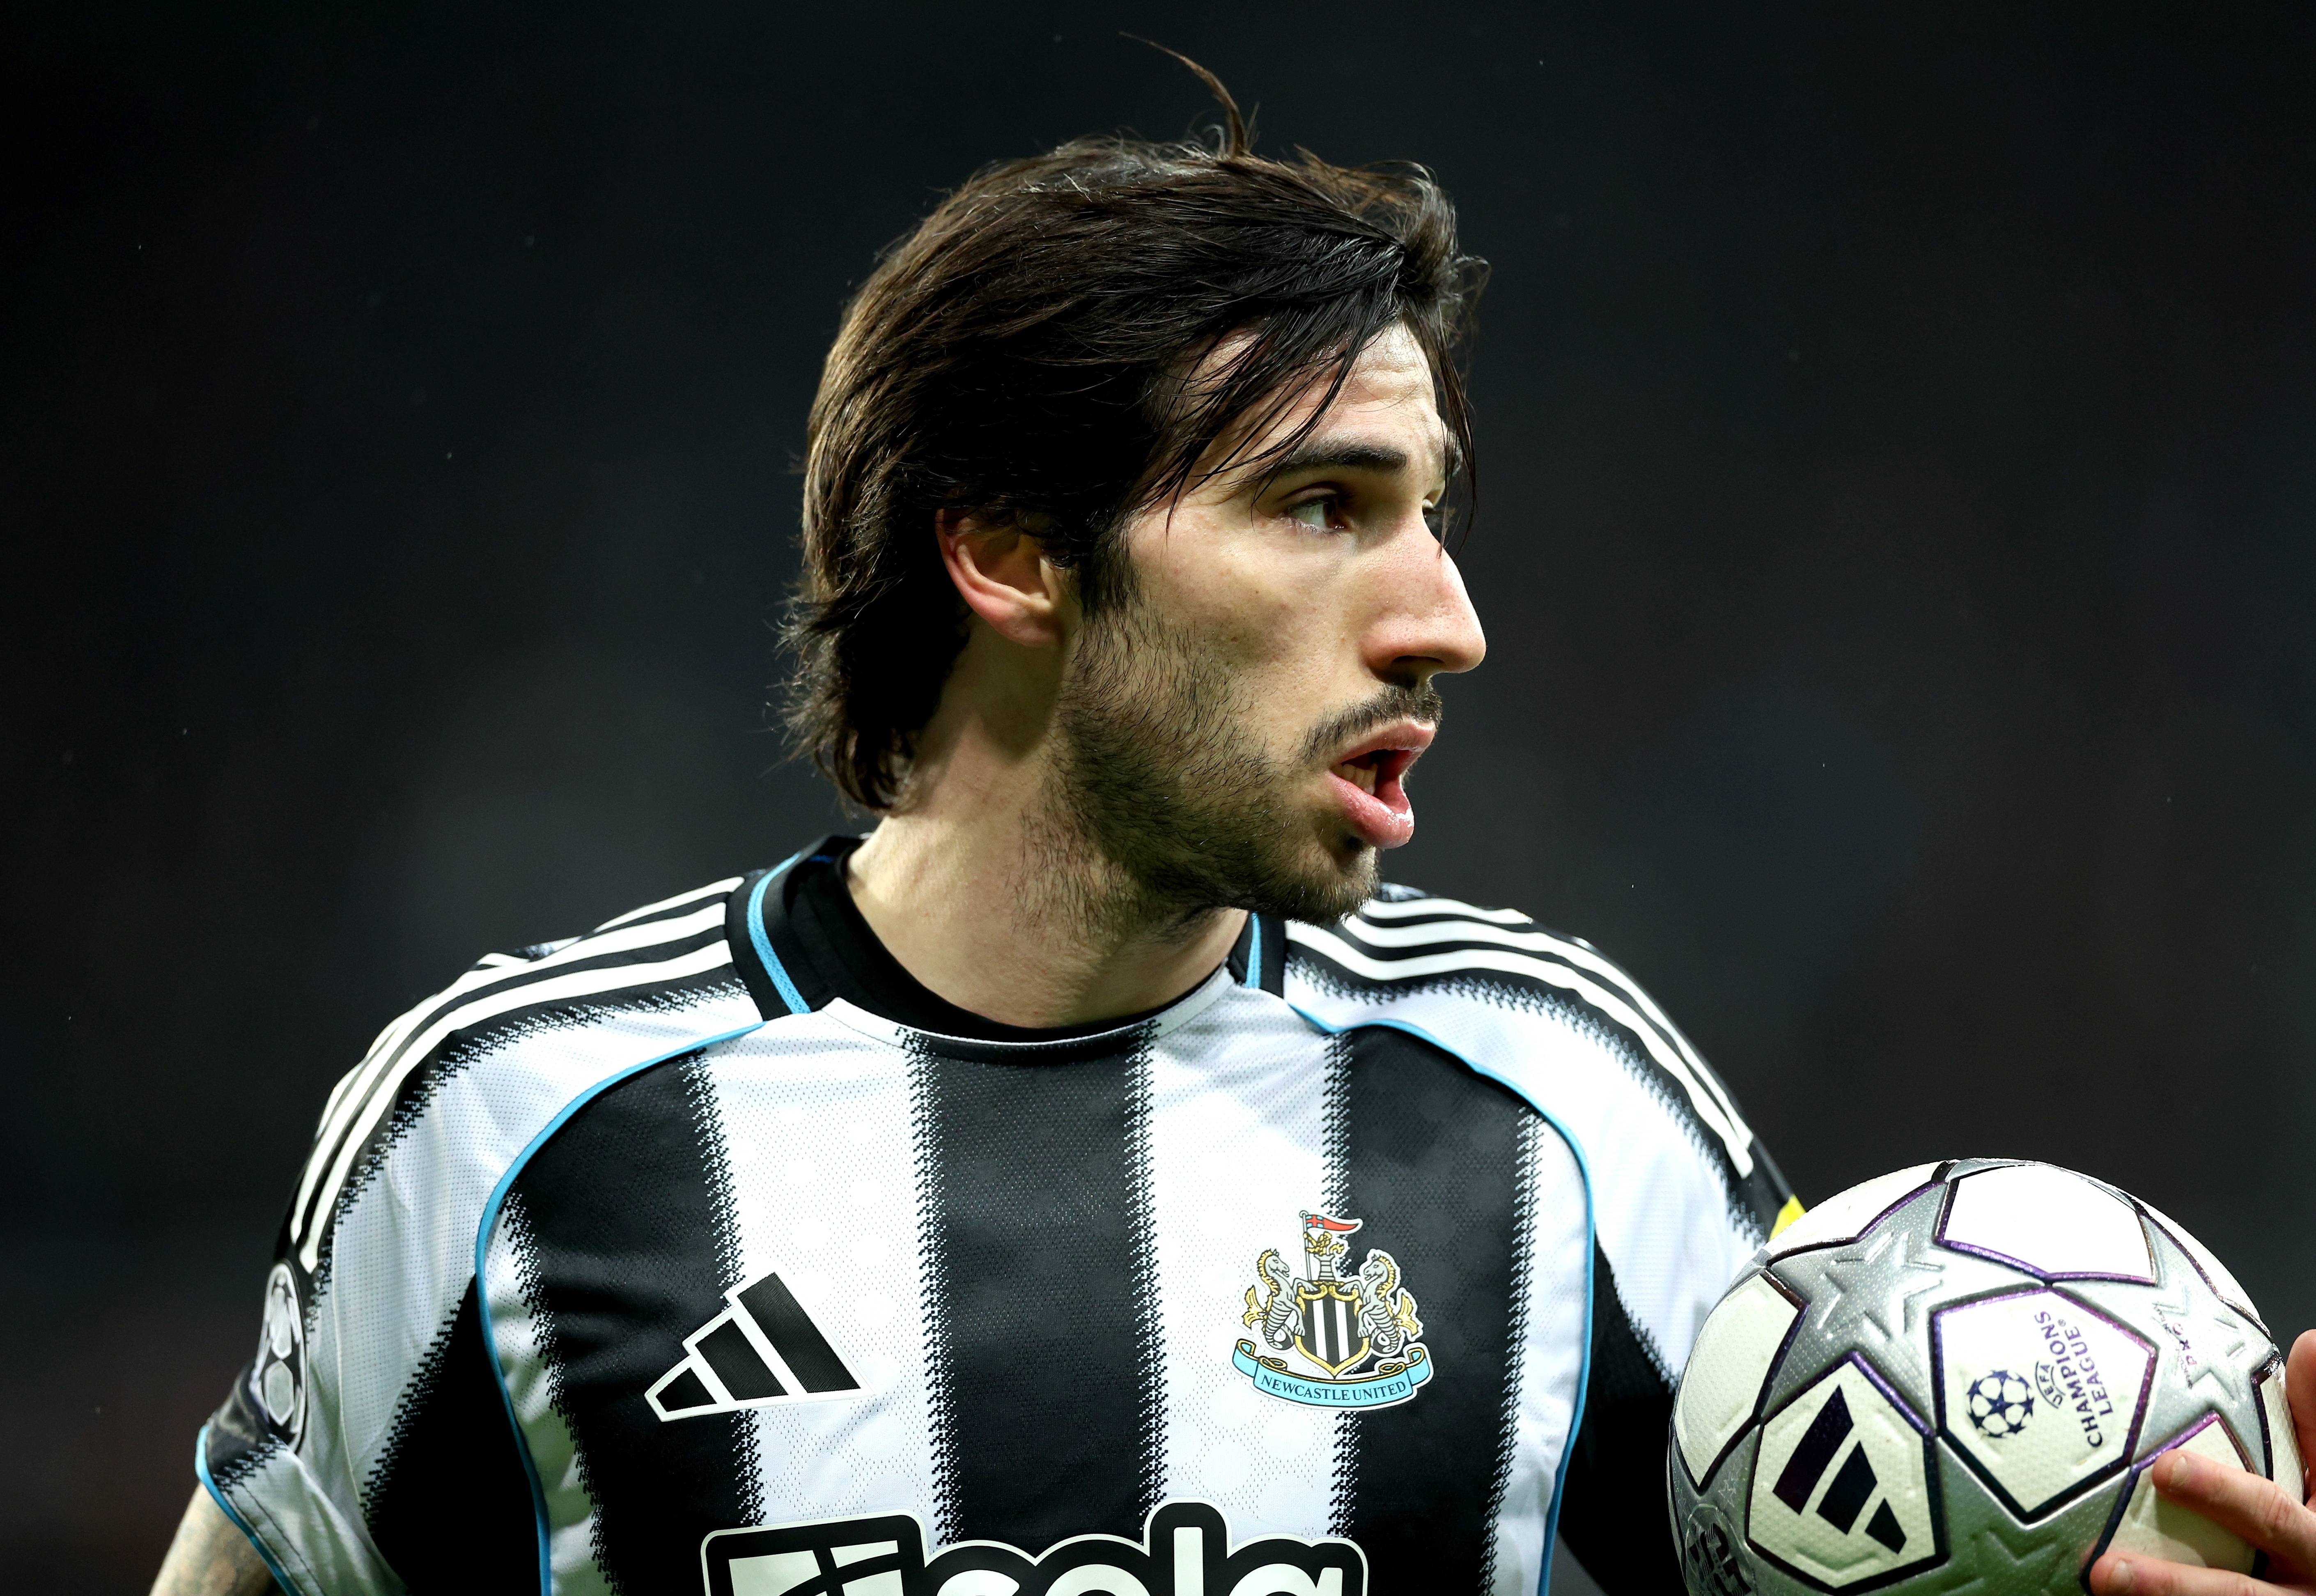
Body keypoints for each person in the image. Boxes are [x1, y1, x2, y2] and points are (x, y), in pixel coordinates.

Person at [153, 76, 2316, 1596]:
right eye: (1320, 507)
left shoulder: (1563, 1103)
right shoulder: (507, 1121)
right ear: (1007, 546)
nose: (1447, 619)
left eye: (1432, 511)